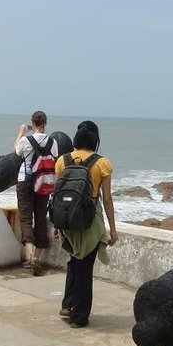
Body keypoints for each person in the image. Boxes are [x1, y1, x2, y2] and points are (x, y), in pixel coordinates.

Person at [54, 121, 118, 328]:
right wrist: (113, 229)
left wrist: (55, 225)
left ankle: (68, 304)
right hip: (90, 221)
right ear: (95, 140)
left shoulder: (62, 161)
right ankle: (79, 316)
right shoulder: (102, 163)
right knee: (85, 267)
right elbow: (106, 199)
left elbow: (56, 195)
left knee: (74, 261)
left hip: (67, 218)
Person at [14, 111, 58, 275]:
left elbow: (16, 152)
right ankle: (37, 258)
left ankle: (30, 256)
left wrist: (21, 133)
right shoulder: (52, 142)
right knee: (40, 218)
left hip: (25, 182)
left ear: (32, 123)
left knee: (25, 219)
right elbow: (54, 157)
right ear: (45, 123)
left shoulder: (25, 140)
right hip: (44, 183)